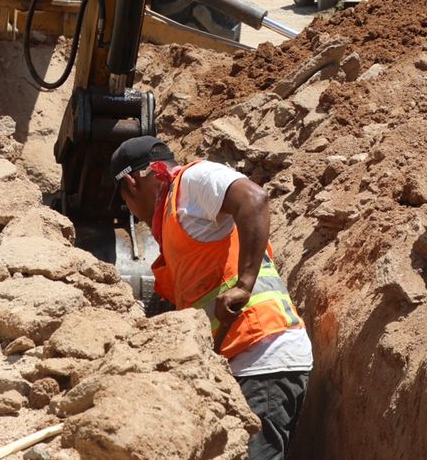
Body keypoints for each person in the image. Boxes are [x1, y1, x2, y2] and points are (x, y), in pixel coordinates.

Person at [111, 136, 311, 460]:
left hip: (262, 354)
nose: (131, 212)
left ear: (131, 184)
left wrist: (245, 285)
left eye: (124, 202)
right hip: (244, 358)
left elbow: (254, 199)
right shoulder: (177, 221)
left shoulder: (191, 181)